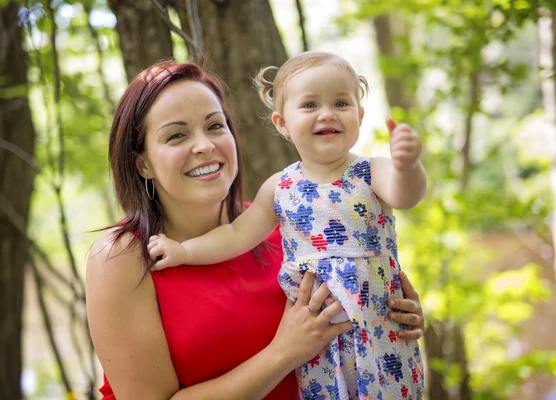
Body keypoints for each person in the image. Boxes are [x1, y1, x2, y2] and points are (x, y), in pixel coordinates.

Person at [86, 59, 426, 400]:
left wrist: (385, 317)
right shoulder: (123, 257)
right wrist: (283, 353)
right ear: (142, 163)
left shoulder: (288, 224)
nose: (204, 145)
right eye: (176, 135)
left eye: (215, 126)